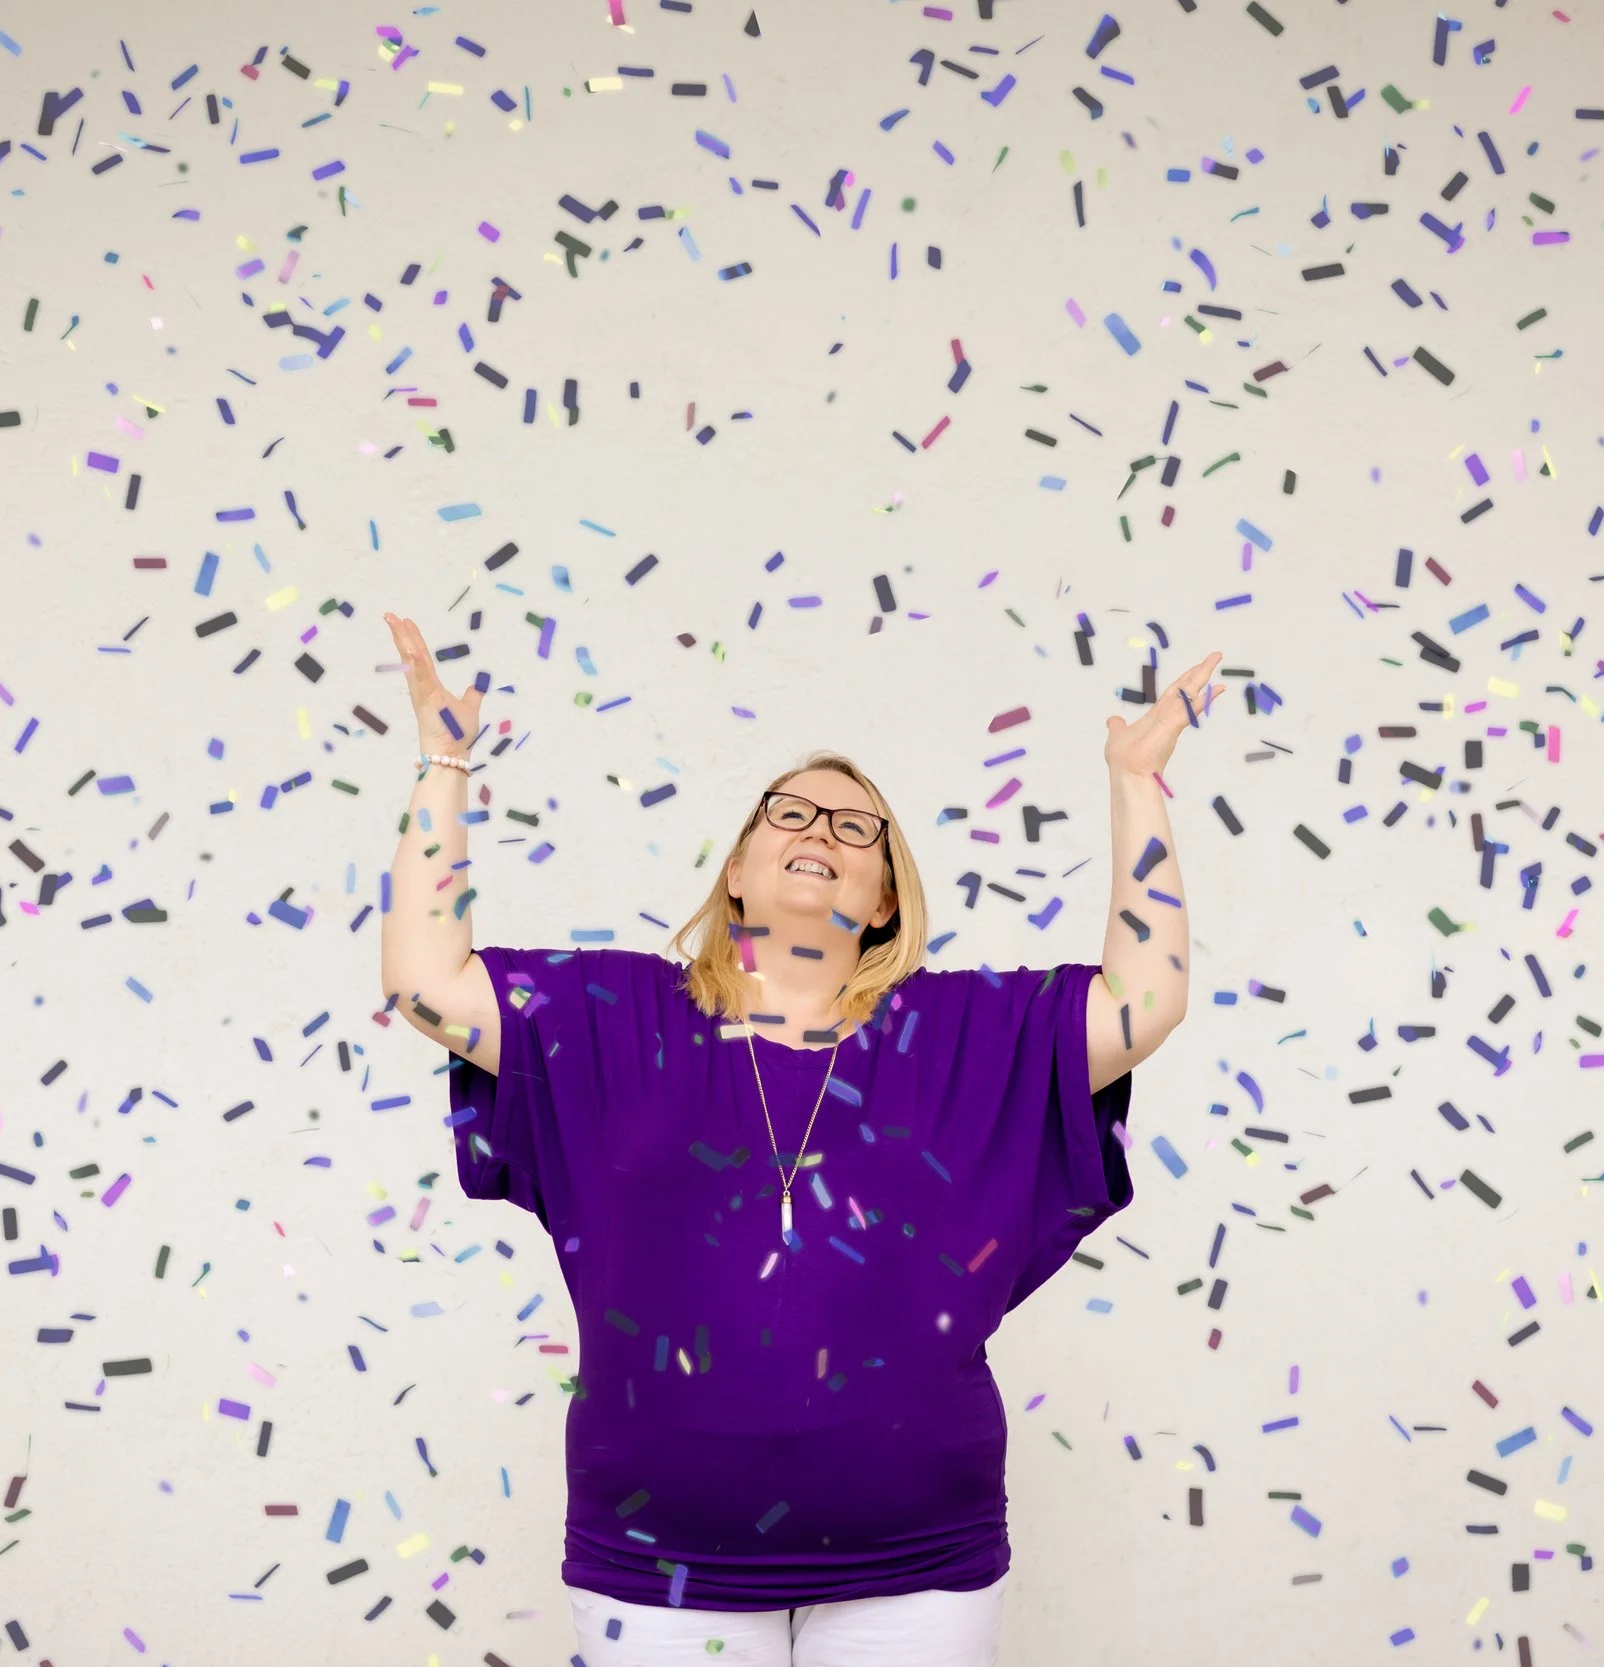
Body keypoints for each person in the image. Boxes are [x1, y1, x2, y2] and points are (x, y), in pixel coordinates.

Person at [377, 611, 1219, 1666]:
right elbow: (425, 979)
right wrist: (443, 759)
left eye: (855, 829)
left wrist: (1134, 779)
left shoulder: (960, 1029)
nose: (820, 829)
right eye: (788, 813)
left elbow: (1144, 1000)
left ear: (879, 902)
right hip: (656, 1562)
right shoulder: (612, 1013)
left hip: (916, 1562)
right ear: (734, 872)